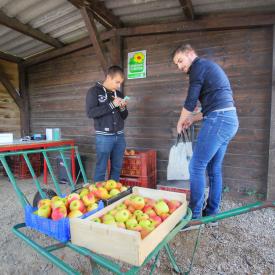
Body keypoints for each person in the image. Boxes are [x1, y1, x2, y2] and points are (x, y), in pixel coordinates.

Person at [173, 44, 239, 223]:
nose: (179, 67)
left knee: (196, 166)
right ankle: (211, 214)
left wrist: (180, 122)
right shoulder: (208, 68)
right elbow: (214, 105)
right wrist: (191, 119)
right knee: (213, 168)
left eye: (180, 60)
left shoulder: (198, 67)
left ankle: (194, 218)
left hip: (219, 120)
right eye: (176, 64)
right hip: (229, 120)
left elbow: (190, 100)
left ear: (190, 54)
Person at [86, 65, 128, 182]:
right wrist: (112, 105)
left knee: (117, 167)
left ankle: (112, 192)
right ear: (109, 77)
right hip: (104, 136)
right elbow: (91, 113)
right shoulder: (94, 92)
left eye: (120, 83)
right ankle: (98, 195)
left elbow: (124, 116)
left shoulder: (119, 94)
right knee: (101, 168)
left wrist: (123, 108)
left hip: (120, 136)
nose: (119, 85)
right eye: (117, 82)